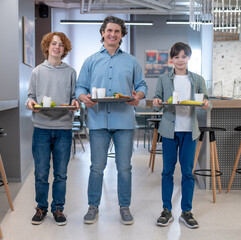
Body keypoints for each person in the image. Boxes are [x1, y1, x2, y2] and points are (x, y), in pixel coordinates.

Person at [76, 16, 148, 225]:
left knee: (124, 168)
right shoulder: (90, 61)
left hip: (124, 122)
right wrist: (84, 98)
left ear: (122, 35)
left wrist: (138, 97)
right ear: (102, 33)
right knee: (97, 167)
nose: (112, 34)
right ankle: (93, 207)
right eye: (109, 30)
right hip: (98, 122)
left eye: (117, 31)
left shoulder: (131, 61)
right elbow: (80, 87)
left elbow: (142, 86)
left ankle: (124, 207)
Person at [153, 42, 211, 229]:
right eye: (176, 57)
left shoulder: (197, 79)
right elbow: (156, 101)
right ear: (172, 59)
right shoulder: (163, 79)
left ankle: (186, 211)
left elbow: (207, 102)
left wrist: (206, 104)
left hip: (189, 131)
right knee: (167, 172)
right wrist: (157, 102)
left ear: (188, 58)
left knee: (187, 172)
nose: (180, 60)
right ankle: (166, 210)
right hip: (169, 131)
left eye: (183, 56)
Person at [25, 32, 79, 226]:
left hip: (63, 128)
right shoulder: (37, 71)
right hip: (41, 128)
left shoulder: (71, 72)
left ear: (65, 50)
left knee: (61, 173)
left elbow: (75, 96)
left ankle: (58, 208)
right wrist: (30, 102)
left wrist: (75, 101)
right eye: (54, 44)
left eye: (61, 45)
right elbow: (30, 96)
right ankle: (41, 207)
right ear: (47, 47)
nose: (57, 47)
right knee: (40, 172)